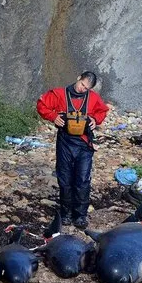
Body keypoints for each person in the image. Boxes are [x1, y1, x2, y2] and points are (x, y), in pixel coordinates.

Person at [36, 71, 109, 228]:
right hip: (65, 142)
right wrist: (52, 116)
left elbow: (102, 111)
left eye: (87, 88)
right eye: (82, 84)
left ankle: (80, 215)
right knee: (65, 178)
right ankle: (66, 214)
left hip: (84, 144)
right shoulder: (59, 94)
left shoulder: (93, 98)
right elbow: (42, 104)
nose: (83, 89)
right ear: (78, 78)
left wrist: (95, 120)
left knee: (82, 180)